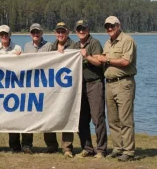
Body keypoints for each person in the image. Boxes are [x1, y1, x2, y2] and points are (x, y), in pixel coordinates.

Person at [98, 16, 137, 162]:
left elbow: (126, 61)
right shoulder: (108, 43)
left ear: (118, 25)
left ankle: (128, 151)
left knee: (125, 119)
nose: (109, 29)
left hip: (124, 83)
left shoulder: (127, 40)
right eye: (107, 26)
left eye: (112, 26)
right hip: (109, 83)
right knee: (113, 119)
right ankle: (117, 147)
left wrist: (106, 60)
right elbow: (102, 59)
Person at [73, 20, 107, 158]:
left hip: (95, 83)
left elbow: (99, 62)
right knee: (81, 119)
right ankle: (87, 147)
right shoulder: (75, 45)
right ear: (76, 31)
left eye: (84, 29)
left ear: (88, 29)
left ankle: (101, 149)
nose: (81, 31)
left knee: (97, 118)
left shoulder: (95, 43)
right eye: (79, 29)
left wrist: (87, 56)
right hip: (80, 85)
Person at [44, 21, 76, 158]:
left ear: (67, 32)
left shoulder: (74, 46)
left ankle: (67, 147)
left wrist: (66, 53)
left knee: (67, 115)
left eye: (63, 31)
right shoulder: (51, 47)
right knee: (49, 114)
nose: (60, 34)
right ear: (55, 33)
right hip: (52, 87)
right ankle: (51, 145)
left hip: (68, 88)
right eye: (58, 32)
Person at [20, 23, 52, 154]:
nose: (35, 34)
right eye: (33, 32)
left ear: (42, 33)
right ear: (30, 34)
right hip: (30, 85)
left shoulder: (49, 46)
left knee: (49, 113)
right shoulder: (26, 46)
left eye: (37, 32)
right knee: (28, 114)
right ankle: (26, 144)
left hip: (45, 85)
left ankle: (51, 144)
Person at [0, 25, 22, 153]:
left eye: (6, 34)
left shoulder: (18, 48)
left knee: (13, 117)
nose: (4, 36)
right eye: (2, 34)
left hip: (12, 87)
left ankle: (15, 146)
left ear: (10, 35)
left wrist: (21, 57)